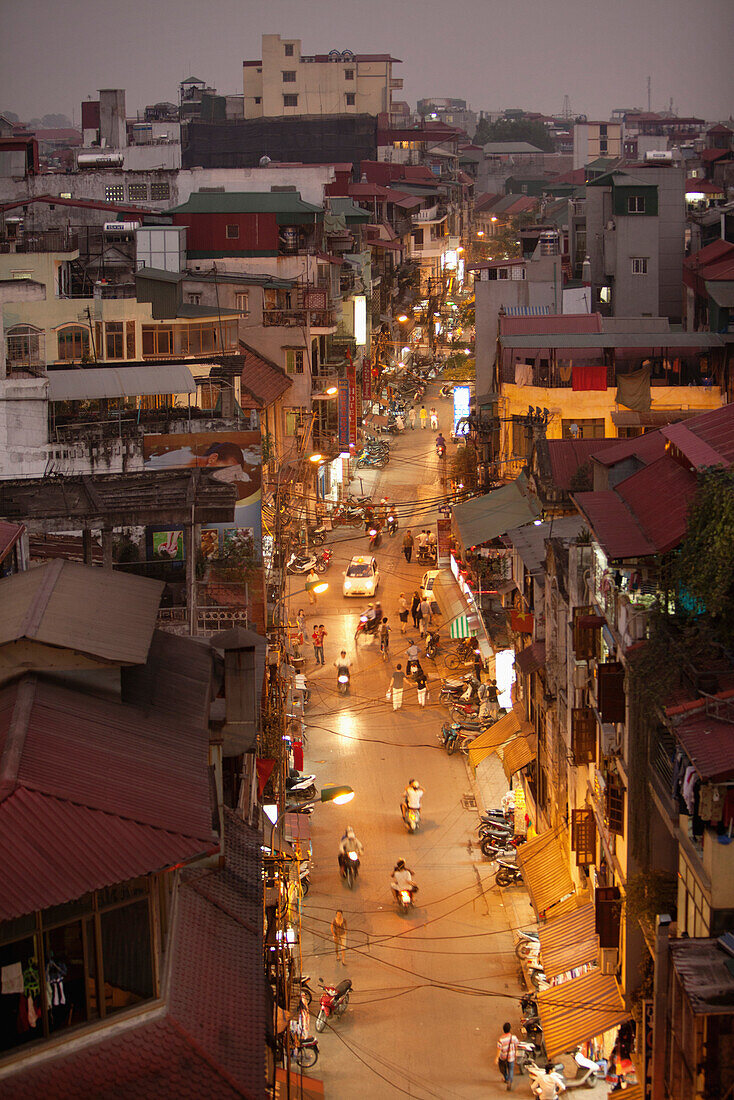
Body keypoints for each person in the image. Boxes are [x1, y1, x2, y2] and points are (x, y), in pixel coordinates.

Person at [495, 1022, 520, 1091]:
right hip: (511, 1057)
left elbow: (499, 1049)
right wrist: (516, 1053)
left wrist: (497, 1058)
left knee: (502, 1069)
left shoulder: (501, 1039)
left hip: (503, 1057)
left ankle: (506, 1078)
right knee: (511, 1070)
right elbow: (517, 1045)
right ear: (510, 1029)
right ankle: (509, 1081)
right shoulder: (513, 1037)